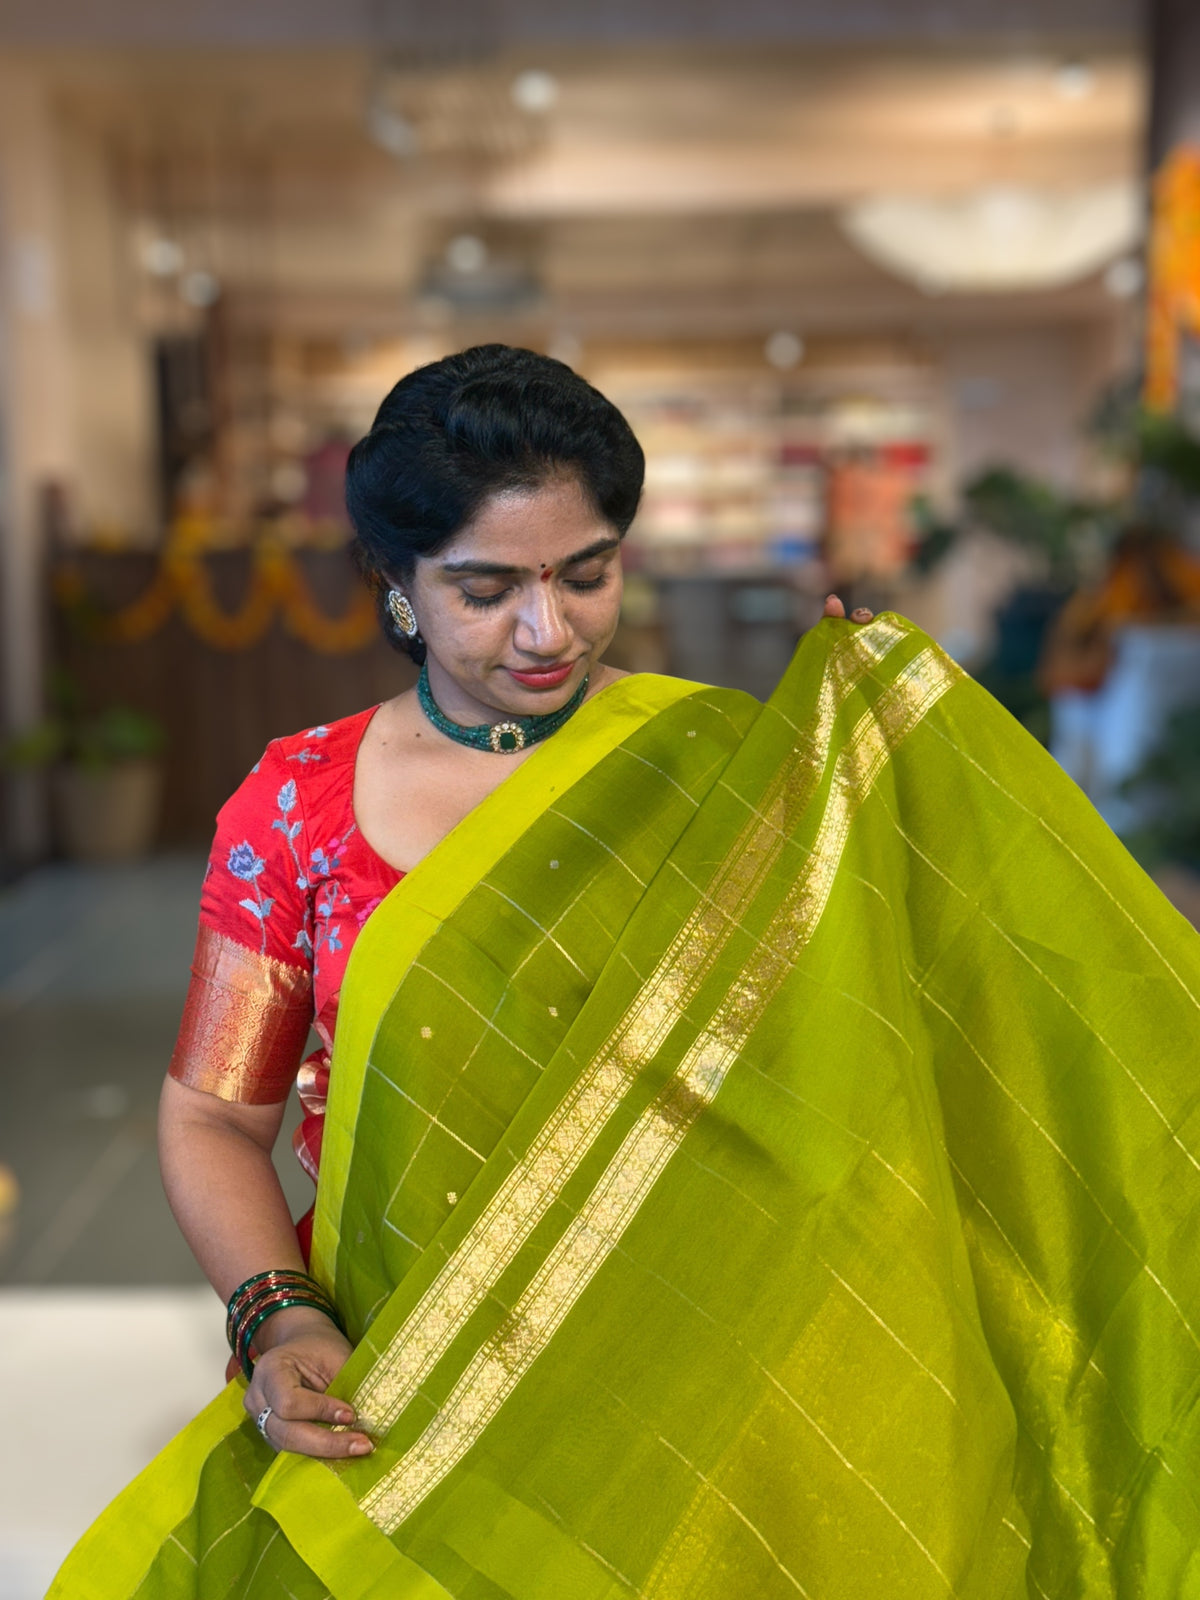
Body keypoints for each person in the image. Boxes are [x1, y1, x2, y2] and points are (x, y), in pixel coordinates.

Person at [52, 347, 1200, 1599]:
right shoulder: (296, 809)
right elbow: (215, 1113)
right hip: (400, 1355)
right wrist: (278, 1315)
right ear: (396, 580)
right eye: (487, 588)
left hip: (688, 1361)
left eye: (587, 572)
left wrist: (873, 770)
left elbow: (887, 1024)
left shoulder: (720, 773)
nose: (548, 629)